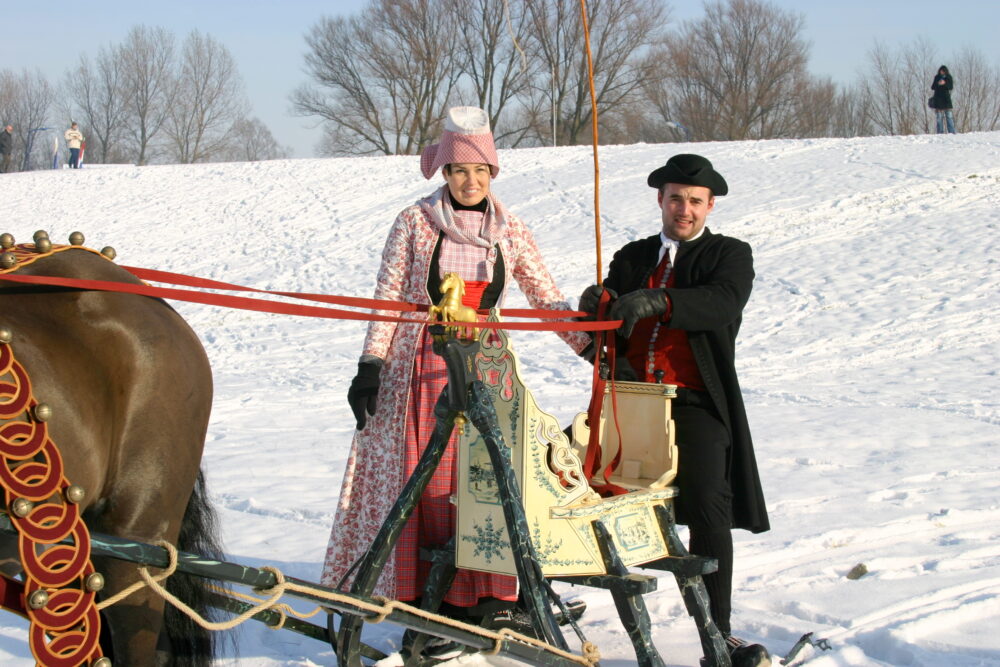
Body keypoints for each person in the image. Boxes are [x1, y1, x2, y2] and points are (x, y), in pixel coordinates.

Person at [320, 106, 589, 659]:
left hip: (487, 365)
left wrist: (592, 346)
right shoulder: (414, 222)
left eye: (481, 172)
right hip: (422, 367)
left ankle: (489, 596)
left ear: (493, 175)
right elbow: (389, 298)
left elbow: (545, 297)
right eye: (460, 171)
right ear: (444, 173)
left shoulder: (509, 229)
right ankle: (431, 601)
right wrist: (370, 364)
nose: (471, 182)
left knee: (487, 482)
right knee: (430, 485)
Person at [578, 154, 770, 667]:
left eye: (694, 201)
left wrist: (661, 302)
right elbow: (601, 331)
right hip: (630, 401)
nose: (684, 209)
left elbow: (721, 303)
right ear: (660, 201)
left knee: (709, 503)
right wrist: (595, 306)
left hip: (695, 401)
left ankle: (718, 633)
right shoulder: (632, 255)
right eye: (675, 198)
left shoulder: (730, 254)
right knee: (575, 494)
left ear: (710, 206)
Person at [931, 65, 956, 134]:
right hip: (938, 100)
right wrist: (938, 83)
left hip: (946, 100)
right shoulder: (937, 77)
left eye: (943, 71)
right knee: (939, 118)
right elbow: (932, 87)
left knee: (949, 117)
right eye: (940, 71)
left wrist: (944, 83)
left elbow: (951, 87)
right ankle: (940, 132)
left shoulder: (948, 77)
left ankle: (951, 131)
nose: (941, 72)